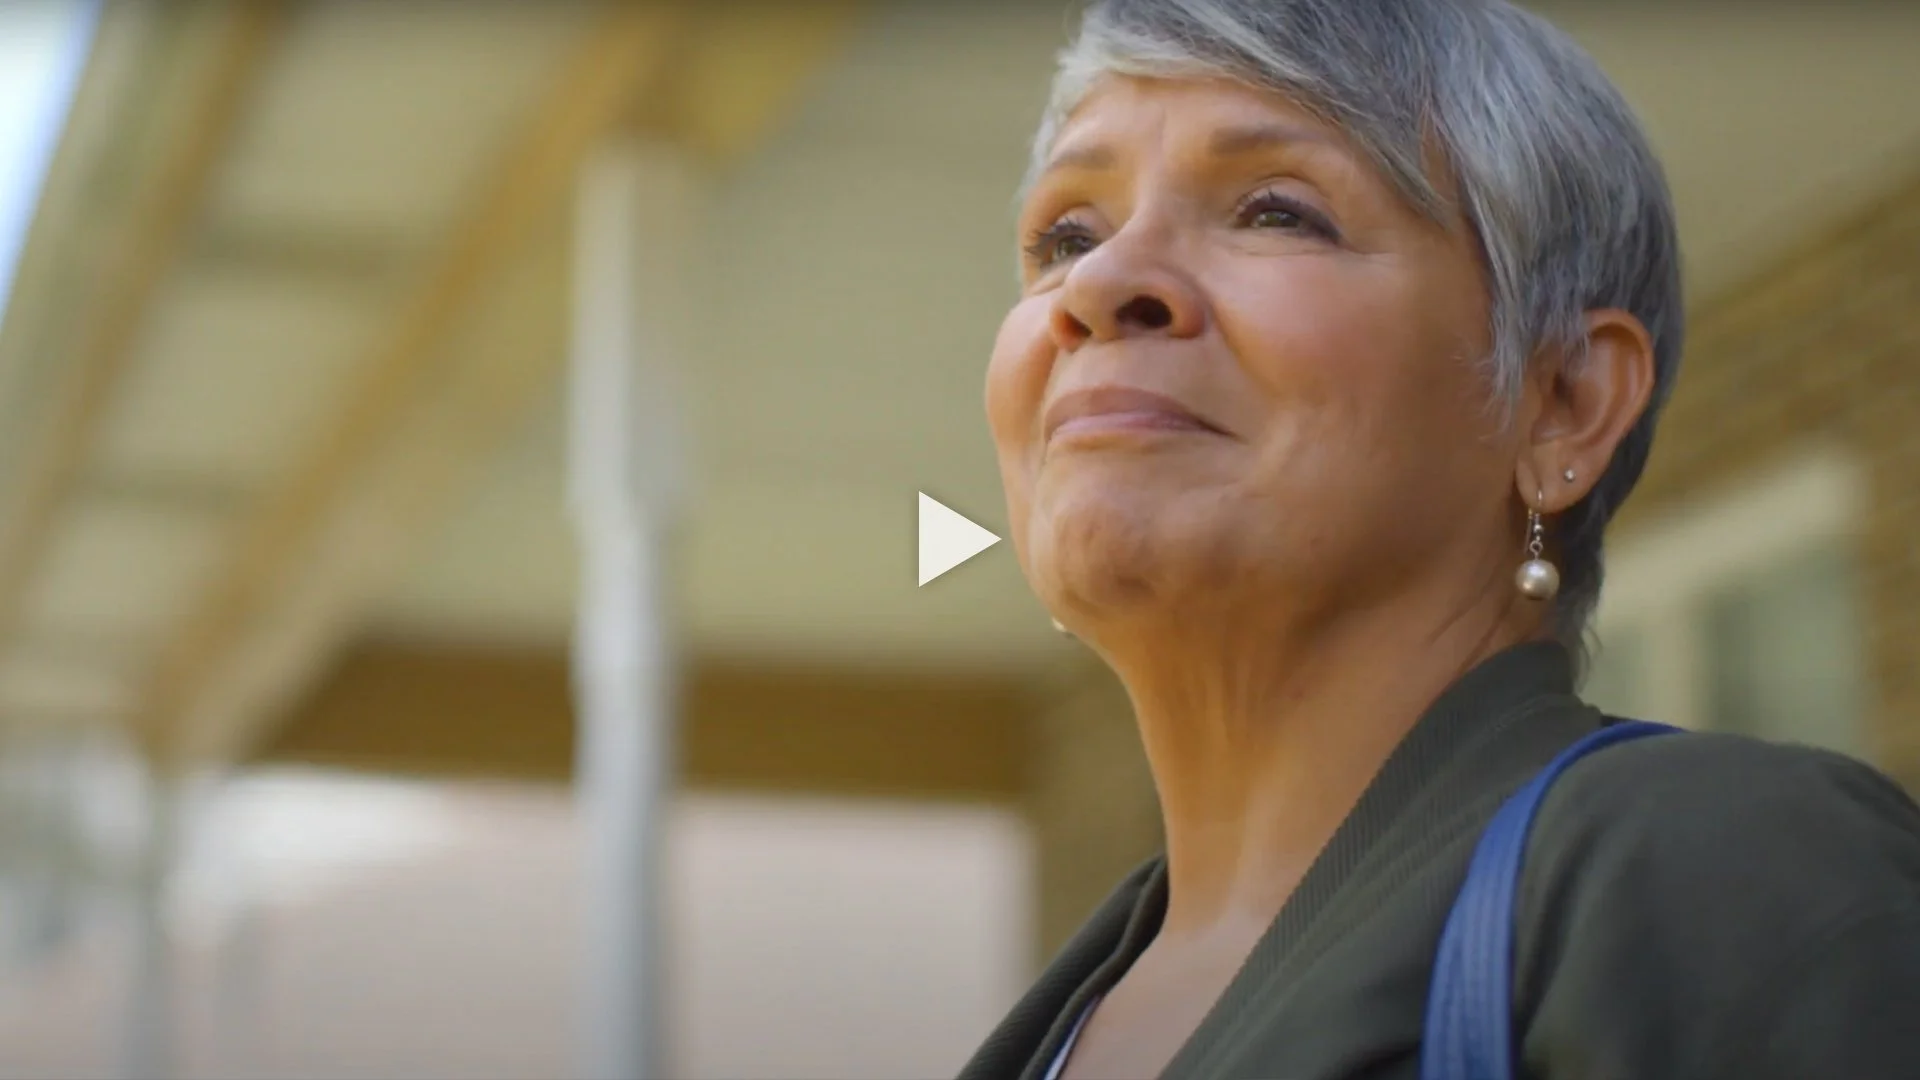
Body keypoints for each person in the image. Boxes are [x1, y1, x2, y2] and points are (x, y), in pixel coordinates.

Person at [958, 1, 1920, 1078]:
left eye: (1277, 212)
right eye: (1067, 237)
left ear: (1563, 402)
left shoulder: (1729, 873)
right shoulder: (1055, 1027)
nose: (1094, 288)